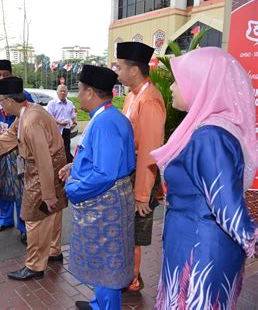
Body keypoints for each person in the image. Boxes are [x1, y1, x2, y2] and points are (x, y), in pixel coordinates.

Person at [150, 47, 256, 308]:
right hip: (194, 244)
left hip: (200, 253)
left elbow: (228, 208)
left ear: (202, 84)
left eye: (179, 80)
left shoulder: (210, 136)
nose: (173, 87)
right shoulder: (207, 129)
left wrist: (251, 238)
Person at [0, 76, 68, 280]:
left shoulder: (31, 121)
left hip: (43, 170)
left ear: (9, 101)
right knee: (52, 213)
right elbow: (9, 137)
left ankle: (35, 266)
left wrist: (48, 194)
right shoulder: (28, 111)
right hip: (52, 167)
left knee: (33, 216)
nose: (0, 106)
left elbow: (43, 160)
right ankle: (53, 251)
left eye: (0, 101)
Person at [59, 65, 136, 309]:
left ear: (90, 92)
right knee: (105, 259)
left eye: (79, 91)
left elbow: (105, 173)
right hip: (110, 198)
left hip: (105, 201)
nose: (77, 96)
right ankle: (98, 304)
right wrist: (75, 168)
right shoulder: (108, 116)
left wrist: (73, 189)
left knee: (107, 261)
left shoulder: (104, 123)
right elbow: (102, 159)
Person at [116, 41, 166, 292]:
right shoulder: (132, 96)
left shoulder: (149, 100)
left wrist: (143, 193)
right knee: (126, 231)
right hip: (130, 171)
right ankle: (129, 277)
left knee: (134, 233)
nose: (116, 72)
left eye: (119, 67)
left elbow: (149, 151)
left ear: (134, 70)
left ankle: (131, 281)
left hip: (141, 174)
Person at [0, 59, 33, 244]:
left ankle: (24, 226)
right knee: (0, 186)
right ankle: (5, 220)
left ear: (11, 75)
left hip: (19, 151)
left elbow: (32, 116)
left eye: (5, 74)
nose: (2, 78)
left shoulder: (23, 95)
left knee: (21, 189)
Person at [47, 84, 77, 163]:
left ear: (67, 93)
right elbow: (49, 117)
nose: (63, 93)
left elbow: (73, 115)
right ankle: (61, 163)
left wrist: (74, 123)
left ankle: (69, 164)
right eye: (61, 91)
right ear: (57, 93)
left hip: (66, 129)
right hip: (56, 130)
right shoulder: (52, 103)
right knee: (57, 149)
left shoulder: (70, 103)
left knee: (67, 147)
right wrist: (59, 123)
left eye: (65, 91)